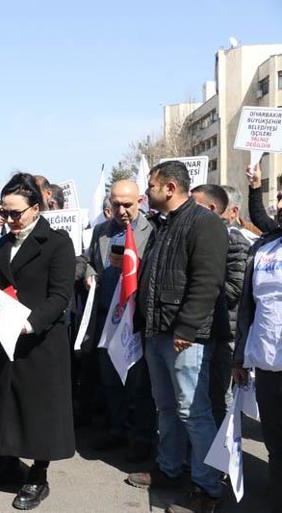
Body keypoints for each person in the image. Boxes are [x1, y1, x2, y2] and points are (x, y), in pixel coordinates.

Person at [0, 172, 75, 511]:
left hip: (39, 340)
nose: (10, 220)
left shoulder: (57, 243)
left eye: (16, 213)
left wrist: (29, 323)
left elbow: (60, 297)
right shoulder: (3, 244)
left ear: (36, 208)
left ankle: (38, 475)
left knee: (38, 409)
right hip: (4, 338)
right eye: (5, 213)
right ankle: (7, 461)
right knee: (5, 405)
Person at [127, 161, 228, 513]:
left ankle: (208, 487)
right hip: (158, 332)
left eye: (151, 185)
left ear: (170, 188)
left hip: (186, 336)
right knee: (166, 408)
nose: (147, 192)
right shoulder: (163, 226)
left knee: (194, 412)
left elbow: (207, 282)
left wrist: (186, 328)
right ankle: (170, 469)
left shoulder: (205, 223)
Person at [84, 180, 156, 462]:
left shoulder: (152, 231)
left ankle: (142, 437)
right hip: (106, 319)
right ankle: (117, 430)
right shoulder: (101, 231)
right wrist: (88, 274)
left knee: (138, 384)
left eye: (128, 204)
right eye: (116, 204)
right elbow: (90, 261)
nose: (122, 210)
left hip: (134, 319)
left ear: (139, 201)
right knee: (111, 380)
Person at [232, 190, 282, 513]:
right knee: (275, 443)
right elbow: (247, 308)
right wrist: (239, 357)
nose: (280, 205)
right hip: (266, 366)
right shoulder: (264, 248)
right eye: (280, 198)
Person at [191, 184, 250, 425]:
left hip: (226, 332)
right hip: (206, 329)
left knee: (221, 396)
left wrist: (197, 299)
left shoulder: (235, 241)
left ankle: (225, 454)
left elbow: (234, 288)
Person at [245, 158, 277, 234]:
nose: (279, 205)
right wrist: (256, 184)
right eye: (279, 198)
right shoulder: (277, 234)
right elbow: (259, 217)